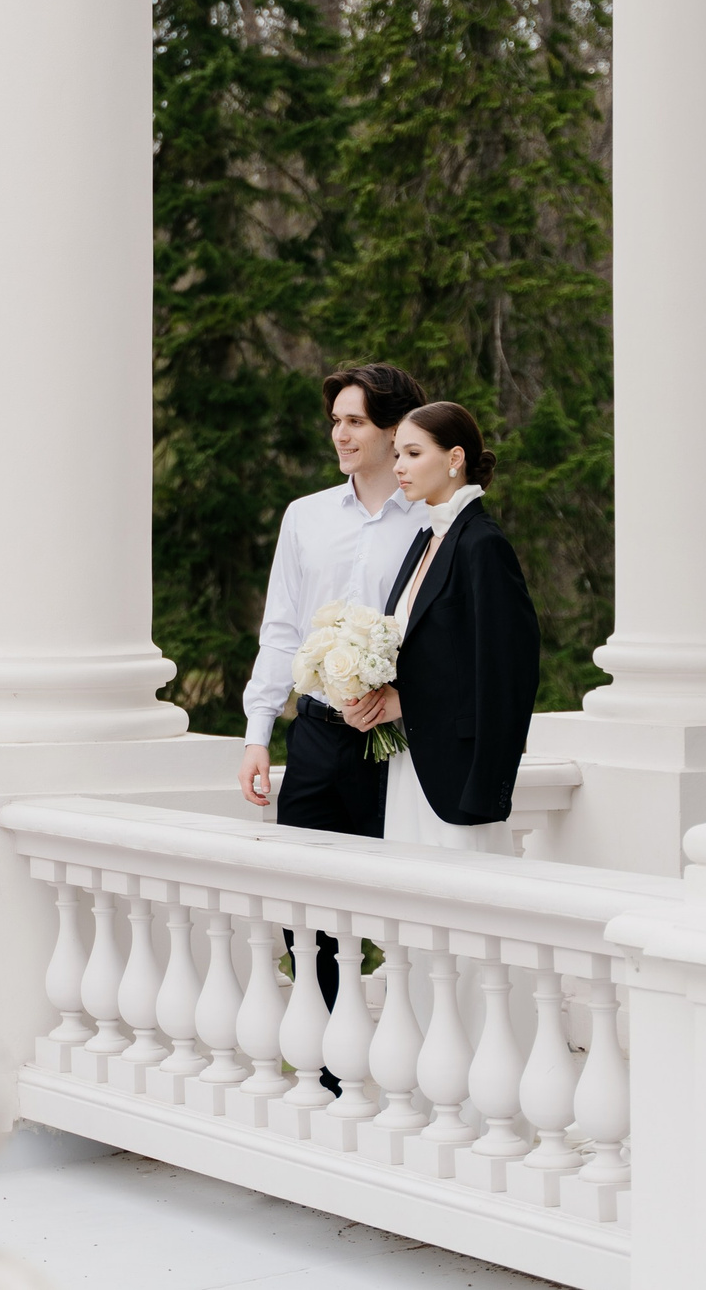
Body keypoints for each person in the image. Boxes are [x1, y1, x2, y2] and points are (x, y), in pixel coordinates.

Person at [234, 365, 430, 1083]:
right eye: (336, 421)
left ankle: (403, 1069)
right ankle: (329, 1072)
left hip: (394, 741)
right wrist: (258, 732)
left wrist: (402, 696)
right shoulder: (305, 516)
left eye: (355, 422)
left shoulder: (429, 519)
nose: (340, 435)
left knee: (397, 908)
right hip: (315, 733)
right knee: (305, 907)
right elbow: (281, 629)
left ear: (393, 430)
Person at [344, 400, 540, 849]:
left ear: (455, 458)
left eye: (413, 454)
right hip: (408, 767)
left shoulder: (483, 544)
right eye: (398, 454)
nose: (399, 466)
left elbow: (508, 674)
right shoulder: (425, 540)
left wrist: (487, 788)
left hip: (460, 779)